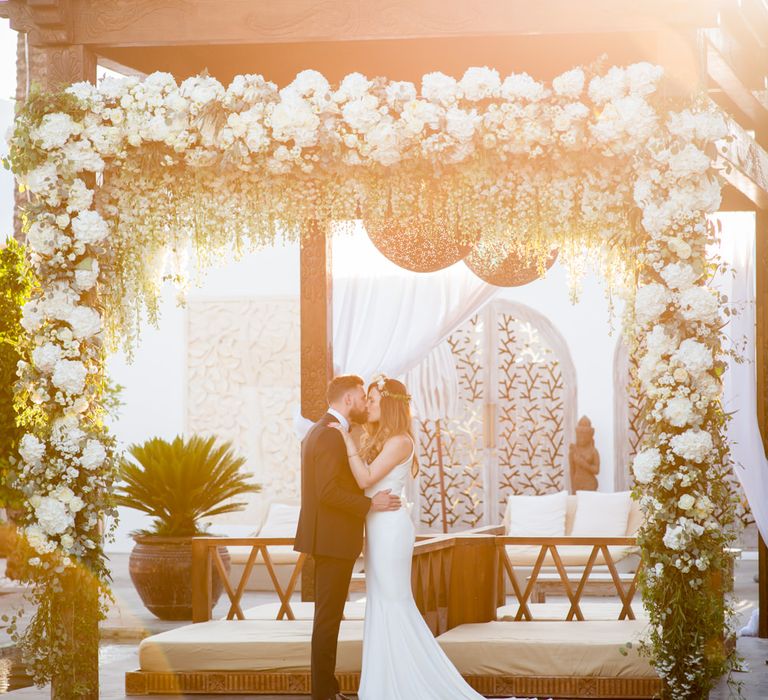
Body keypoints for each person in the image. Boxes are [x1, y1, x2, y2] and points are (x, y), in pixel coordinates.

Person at [330, 374, 492, 700]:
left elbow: (365, 480)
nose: (368, 405)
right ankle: (382, 685)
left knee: (394, 603)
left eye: (373, 400)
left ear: (388, 404)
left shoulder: (400, 441)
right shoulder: (383, 439)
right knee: (380, 603)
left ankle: (406, 684)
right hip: (377, 528)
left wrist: (346, 440)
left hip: (390, 530)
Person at [294, 374, 402, 700]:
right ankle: (324, 695)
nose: (364, 402)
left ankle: (328, 690)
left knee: (327, 619)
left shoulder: (329, 431)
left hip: (330, 538)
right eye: (361, 396)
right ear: (349, 400)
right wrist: (370, 504)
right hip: (331, 539)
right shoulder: (328, 435)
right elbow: (328, 492)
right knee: (327, 621)